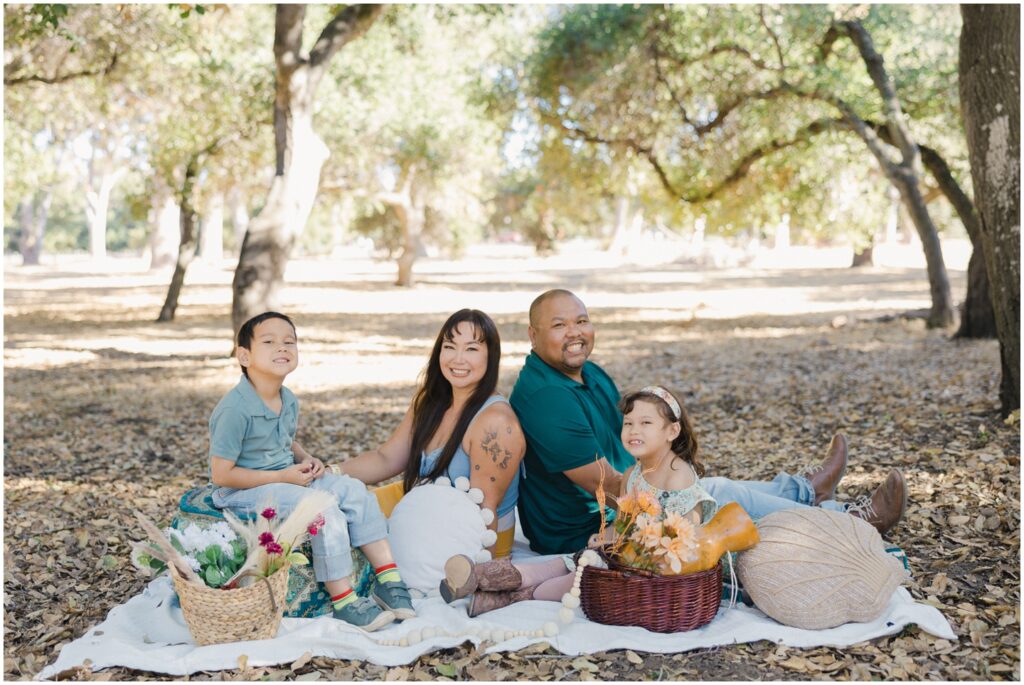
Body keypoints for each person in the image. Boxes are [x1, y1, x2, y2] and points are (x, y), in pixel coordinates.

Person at [510, 289, 907, 555]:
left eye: (581, 321)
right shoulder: (546, 398)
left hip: (622, 500)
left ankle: (805, 492)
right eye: (559, 325)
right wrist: (679, 496)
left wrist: (673, 477)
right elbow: (610, 487)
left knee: (711, 488)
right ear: (533, 334)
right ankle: (846, 522)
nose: (575, 333)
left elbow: (633, 444)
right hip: (589, 530)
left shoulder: (589, 372)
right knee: (714, 495)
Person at [208, 311, 414, 633]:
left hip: (284, 478)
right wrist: (282, 477)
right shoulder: (235, 409)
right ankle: (344, 600)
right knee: (322, 508)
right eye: (269, 342)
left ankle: (388, 580)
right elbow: (222, 475)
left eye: (289, 342)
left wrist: (306, 458)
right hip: (241, 491)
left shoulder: (287, 399)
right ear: (244, 356)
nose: (282, 347)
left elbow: (285, 440)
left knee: (352, 489)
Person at [339, 309, 525, 558]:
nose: (458, 359)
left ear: (491, 357)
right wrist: (327, 474)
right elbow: (386, 458)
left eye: (471, 349)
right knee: (333, 511)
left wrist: (481, 576)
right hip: (423, 508)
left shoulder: (495, 423)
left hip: (468, 537)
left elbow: (485, 514)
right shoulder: (430, 401)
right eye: (450, 347)